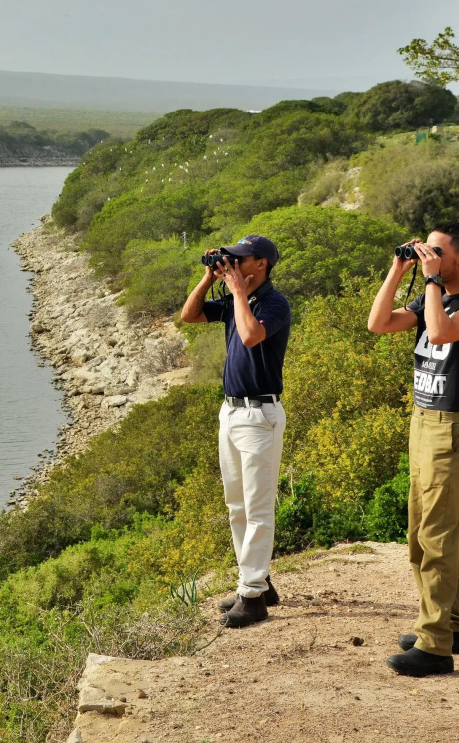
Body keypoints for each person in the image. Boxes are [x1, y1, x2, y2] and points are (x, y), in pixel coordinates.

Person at [368, 221, 459, 677]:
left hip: (451, 425)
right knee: (419, 531)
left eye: (437, 251)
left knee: (437, 537)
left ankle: (435, 646)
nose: (429, 257)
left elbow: (441, 333)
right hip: (422, 420)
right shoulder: (434, 293)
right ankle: (453, 625)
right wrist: (398, 267)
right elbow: (379, 323)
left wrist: (428, 281)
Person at [179, 234, 290, 629]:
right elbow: (189, 316)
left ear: (261, 264)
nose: (235, 264)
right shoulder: (234, 299)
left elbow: (250, 335)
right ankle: (257, 583)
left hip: (260, 414)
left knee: (258, 508)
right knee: (237, 505)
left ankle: (253, 597)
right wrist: (209, 279)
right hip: (231, 411)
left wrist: (237, 293)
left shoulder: (275, 303)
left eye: (241, 259)